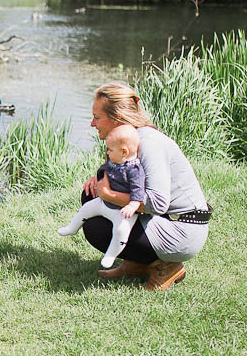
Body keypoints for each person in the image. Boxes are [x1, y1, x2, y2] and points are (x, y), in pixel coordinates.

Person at [77, 82, 211, 291]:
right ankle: (136, 264)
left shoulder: (149, 143)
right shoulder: (126, 140)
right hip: (163, 220)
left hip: (182, 229)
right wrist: (101, 181)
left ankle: (167, 267)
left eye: (97, 117)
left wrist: (109, 194)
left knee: (96, 227)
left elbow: (158, 202)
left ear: (117, 119)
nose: (93, 124)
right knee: (90, 197)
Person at [58, 124, 145, 268]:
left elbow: (138, 190)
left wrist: (132, 205)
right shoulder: (114, 161)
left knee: (121, 230)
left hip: (122, 211)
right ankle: (72, 227)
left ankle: (111, 254)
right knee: (86, 208)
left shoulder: (135, 170)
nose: (107, 153)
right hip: (104, 203)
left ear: (124, 152)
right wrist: (98, 179)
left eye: (110, 150)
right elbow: (103, 170)